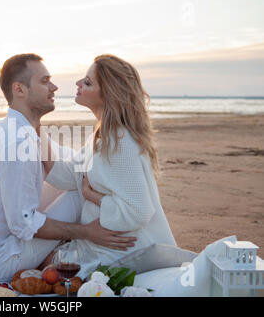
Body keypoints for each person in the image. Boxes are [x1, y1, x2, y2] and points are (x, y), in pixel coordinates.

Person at [0, 53, 136, 282]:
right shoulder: (18, 142)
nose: (54, 86)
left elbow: (65, 159)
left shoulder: (17, 127)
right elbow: (23, 223)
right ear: (19, 90)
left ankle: (66, 248)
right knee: (79, 189)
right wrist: (88, 232)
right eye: (44, 81)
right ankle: (105, 247)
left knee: (75, 177)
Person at [41, 54, 177, 278]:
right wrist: (34, 129)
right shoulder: (103, 134)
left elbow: (138, 211)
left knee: (44, 271)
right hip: (102, 245)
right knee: (42, 265)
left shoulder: (120, 142)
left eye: (87, 82)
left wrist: (93, 197)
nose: (78, 84)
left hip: (126, 254)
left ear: (108, 94)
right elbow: (67, 176)